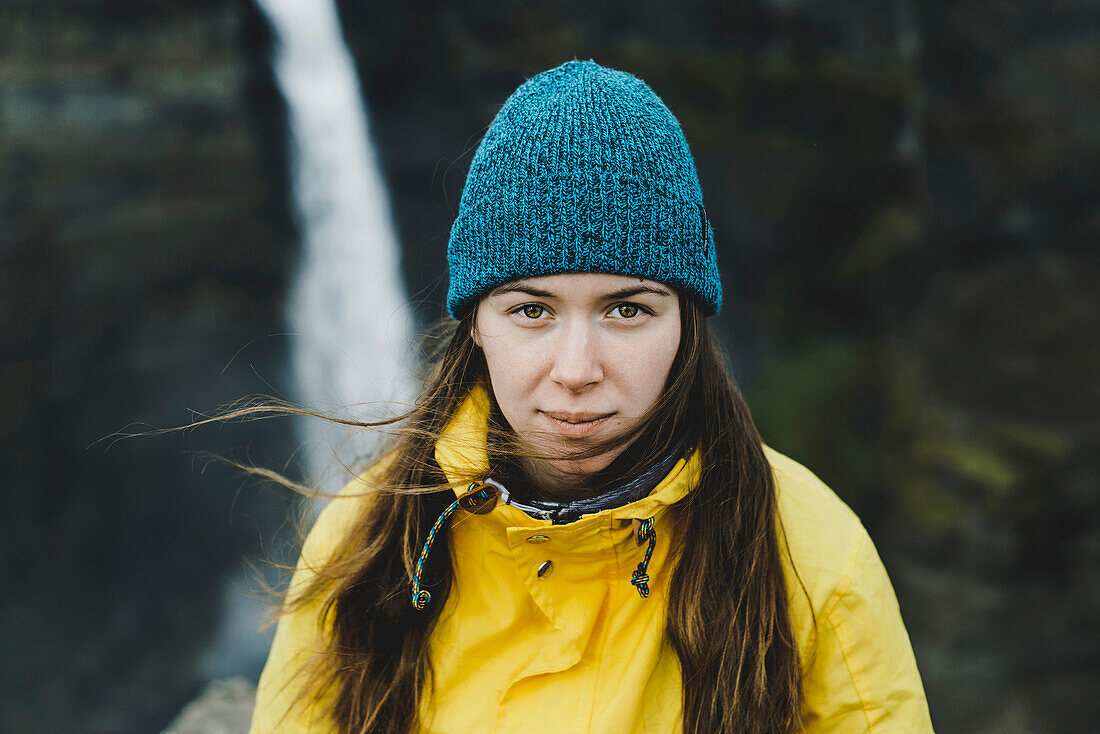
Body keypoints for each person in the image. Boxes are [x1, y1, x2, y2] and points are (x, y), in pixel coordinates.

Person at [249, 59, 934, 733]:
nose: (576, 370)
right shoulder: (367, 536)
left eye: (627, 311)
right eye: (532, 311)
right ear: (477, 325)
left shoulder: (813, 553)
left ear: (686, 325)